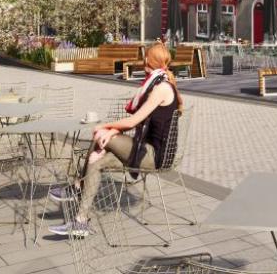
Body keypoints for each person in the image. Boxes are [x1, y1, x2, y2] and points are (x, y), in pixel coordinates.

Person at [48, 42, 182, 236]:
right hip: (144, 149)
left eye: (146, 56)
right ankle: (80, 221)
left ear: (150, 60)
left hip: (154, 156)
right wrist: (111, 131)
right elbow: (139, 122)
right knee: (97, 160)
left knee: (99, 136)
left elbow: (135, 120)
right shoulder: (156, 82)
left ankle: (77, 187)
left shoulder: (161, 88)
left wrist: (106, 128)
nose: (143, 59)